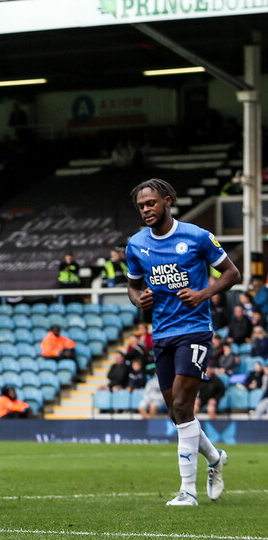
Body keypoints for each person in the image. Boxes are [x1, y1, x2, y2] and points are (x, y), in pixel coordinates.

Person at [126, 178, 239, 506]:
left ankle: (187, 490)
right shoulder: (136, 245)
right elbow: (132, 286)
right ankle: (215, 459)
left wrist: (203, 293)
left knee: (180, 405)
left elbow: (232, 274)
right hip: (161, 334)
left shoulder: (197, 237)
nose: (146, 209)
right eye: (142, 206)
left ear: (168, 201)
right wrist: (138, 299)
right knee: (178, 413)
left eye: (151, 203)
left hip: (194, 330)